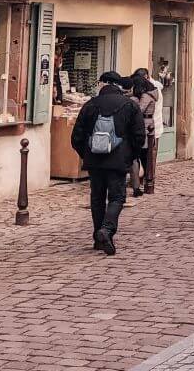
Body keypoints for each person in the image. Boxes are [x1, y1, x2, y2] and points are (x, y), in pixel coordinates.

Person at [70, 70, 146, 256]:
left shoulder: (90, 104)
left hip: (95, 161)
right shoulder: (129, 105)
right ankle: (106, 229)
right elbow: (139, 136)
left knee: (97, 198)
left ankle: (99, 236)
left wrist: (86, 154)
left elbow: (76, 137)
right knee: (117, 197)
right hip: (118, 160)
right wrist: (131, 156)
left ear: (102, 84)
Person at [129, 72, 156, 196]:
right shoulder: (148, 94)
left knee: (142, 156)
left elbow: (138, 110)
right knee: (143, 156)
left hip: (144, 127)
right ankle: (143, 182)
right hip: (145, 126)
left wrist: (132, 99)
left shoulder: (146, 96)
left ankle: (145, 183)